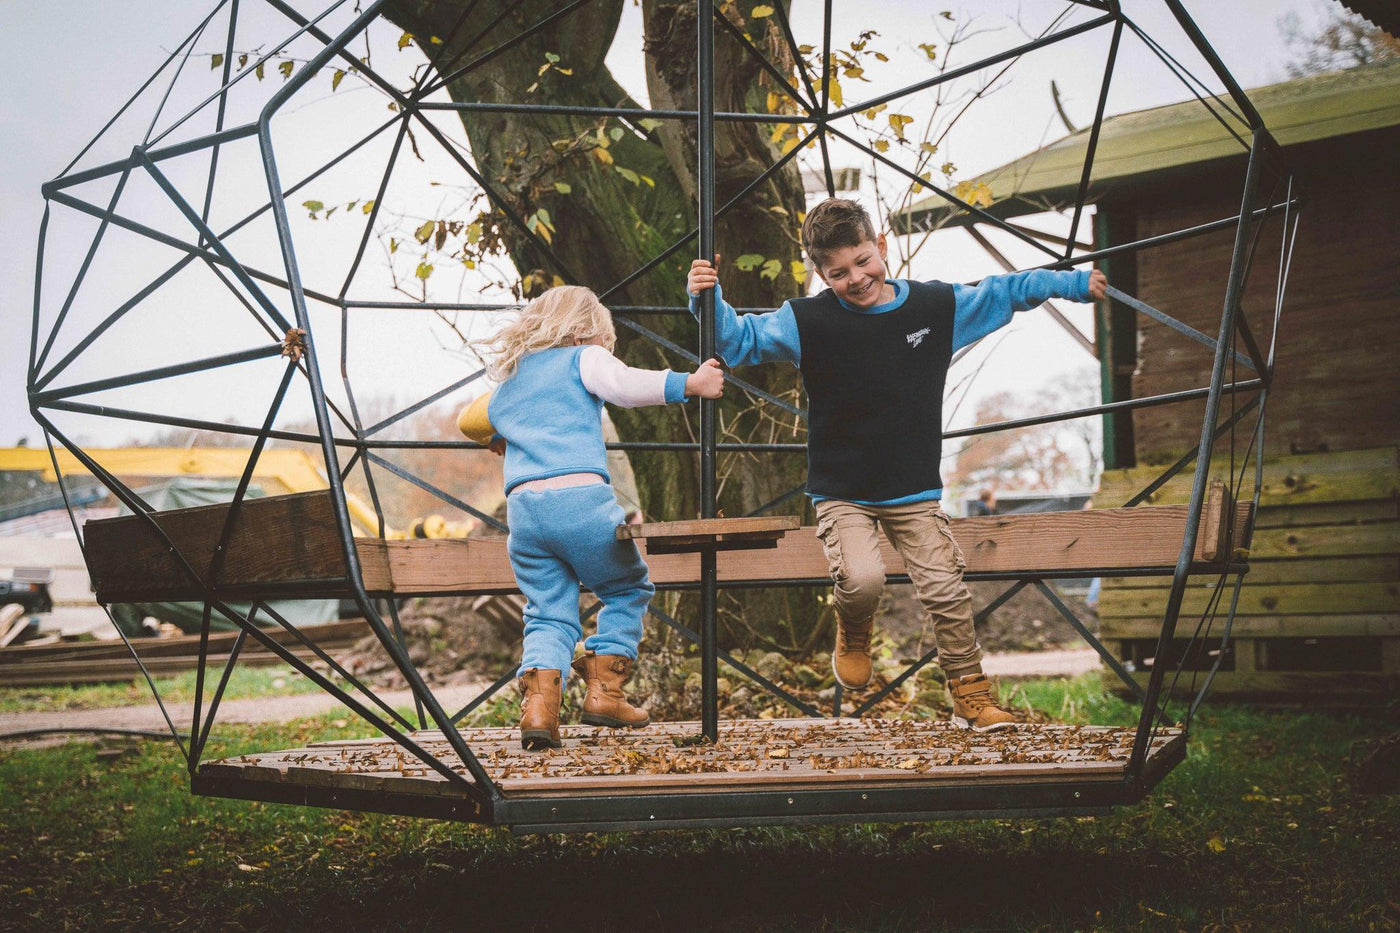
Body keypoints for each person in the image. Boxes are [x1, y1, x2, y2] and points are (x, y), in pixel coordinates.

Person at [686, 198, 1107, 731]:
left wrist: (1070, 283)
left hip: (913, 488)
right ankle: (853, 626)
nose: (857, 278)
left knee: (946, 590)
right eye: (839, 273)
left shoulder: (934, 308)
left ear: (880, 246)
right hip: (842, 490)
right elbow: (737, 340)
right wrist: (706, 298)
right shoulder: (806, 321)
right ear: (821, 274)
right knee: (862, 579)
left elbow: (1003, 291)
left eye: (864, 261)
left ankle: (970, 695)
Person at [465, 285, 725, 750]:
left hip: (524, 514)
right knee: (627, 588)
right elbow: (625, 386)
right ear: (583, 331)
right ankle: (605, 692)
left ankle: (539, 711)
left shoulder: (512, 379)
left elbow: (476, 421)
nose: (608, 350)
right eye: (607, 341)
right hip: (579, 502)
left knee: (547, 612)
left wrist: (501, 439)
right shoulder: (582, 357)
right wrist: (690, 383)